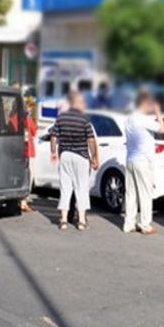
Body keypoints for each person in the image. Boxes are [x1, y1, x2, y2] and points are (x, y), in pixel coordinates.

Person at [50, 90, 99, 231]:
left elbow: (53, 136)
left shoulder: (61, 118)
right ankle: (82, 221)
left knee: (65, 189)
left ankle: (63, 221)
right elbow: (90, 140)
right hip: (81, 156)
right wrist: (94, 157)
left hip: (65, 155)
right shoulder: (84, 119)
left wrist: (53, 152)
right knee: (81, 188)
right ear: (76, 102)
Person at [123, 89, 164, 235]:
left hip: (130, 159)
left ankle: (129, 223)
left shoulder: (129, 118)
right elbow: (162, 129)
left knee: (131, 193)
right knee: (145, 193)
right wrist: (158, 112)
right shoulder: (144, 119)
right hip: (143, 160)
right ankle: (145, 224)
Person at [21, 98, 37, 213]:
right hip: (27, 151)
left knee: (22, 176)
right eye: (30, 106)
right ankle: (24, 201)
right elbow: (33, 131)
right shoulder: (26, 118)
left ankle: (22, 201)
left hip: (20, 151)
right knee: (28, 177)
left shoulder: (14, 117)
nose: (31, 109)